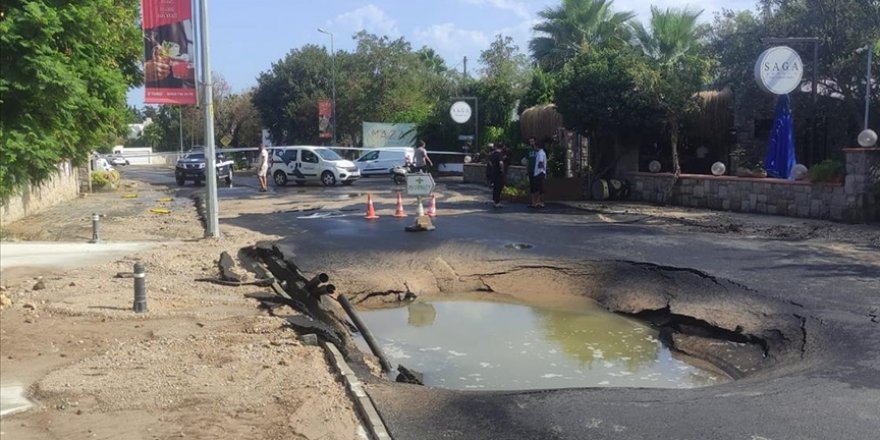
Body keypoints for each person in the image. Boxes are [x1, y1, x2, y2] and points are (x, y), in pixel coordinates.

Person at [530, 139, 547, 208]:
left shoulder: (540, 153)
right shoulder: (542, 152)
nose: (534, 147)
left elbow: (540, 162)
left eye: (534, 146)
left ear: (537, 146)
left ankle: (538, 202)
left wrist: (540, 170)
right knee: (540, 188)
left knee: (537, 188)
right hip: (541, 172)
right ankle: (540, 202)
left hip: (539, 173)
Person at [487, 143, 506, 208]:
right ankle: (497, 202)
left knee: (495, 187)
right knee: (499, 187)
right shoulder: (499, 154)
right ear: (502, 147)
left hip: (493, 172)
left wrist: (493, 168)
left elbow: (490, 162)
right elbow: (501, 162)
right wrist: (502, 170)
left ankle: (494, 200)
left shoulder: (492, 154)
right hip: (499, 173)